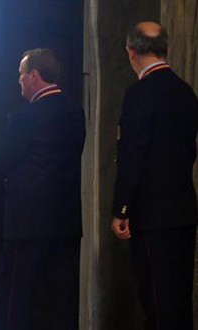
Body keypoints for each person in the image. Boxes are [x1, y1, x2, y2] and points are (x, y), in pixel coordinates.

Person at [0, 48, 85, 329]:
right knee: (57, 300)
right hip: (65, 224)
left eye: (22, 75)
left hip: (27, 225)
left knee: (16, 301)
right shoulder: (75, 112)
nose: (19, 81)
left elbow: (0, 160)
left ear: (35, 76)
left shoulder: (27, 116)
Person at [111, 21, 198, 329]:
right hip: (183, 211)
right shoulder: (186, 92)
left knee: (156, 304)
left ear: (131, 52)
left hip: (151, 215)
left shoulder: (139, 93)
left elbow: (133, 154)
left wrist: (122, 207)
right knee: (179, 301)